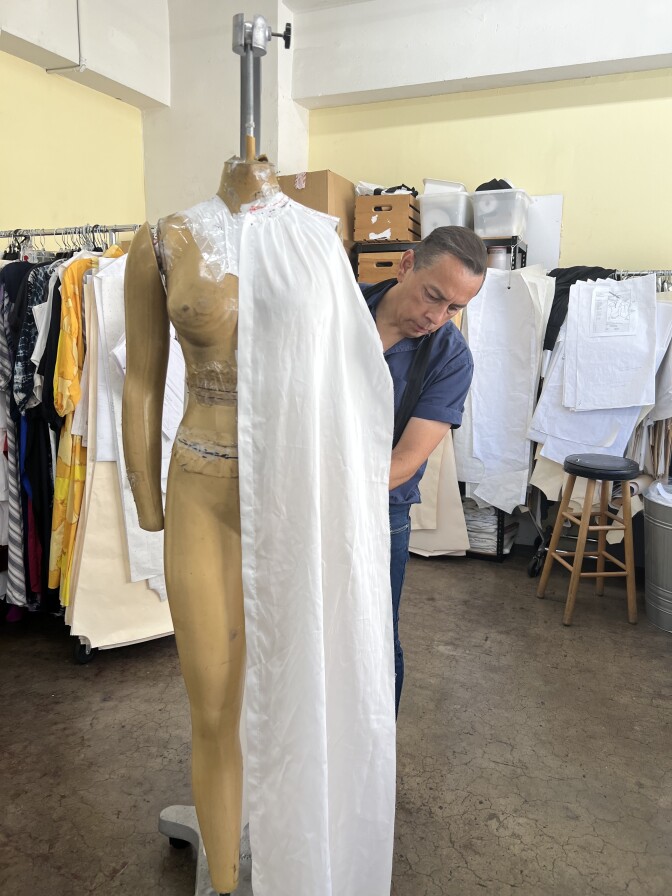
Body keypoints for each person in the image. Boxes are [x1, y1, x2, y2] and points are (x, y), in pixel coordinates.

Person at [361, 226, 488, 716]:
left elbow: (403, 464)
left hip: (380, 513)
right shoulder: (340, 308)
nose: (437, 317)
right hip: (300, 500)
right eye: (433, 296)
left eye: (454, 308)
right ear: (406, 264)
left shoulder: (450, 359)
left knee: (375, 637)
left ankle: (374, 752)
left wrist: (319, 485)